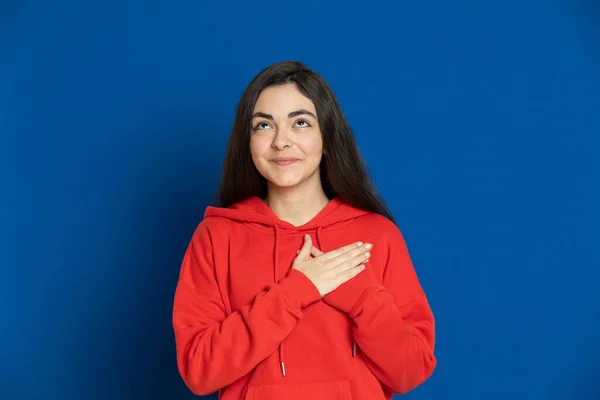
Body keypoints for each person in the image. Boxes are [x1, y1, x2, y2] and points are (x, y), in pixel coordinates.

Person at [172, 61, 436, 400]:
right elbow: (199, 371)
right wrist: (295, 292)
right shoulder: (215, 237)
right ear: (247, 141)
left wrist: (363, 300)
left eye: (300, 123)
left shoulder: (377, 236)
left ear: (327, 138)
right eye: (264, 125)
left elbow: (410, 372)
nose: (281, 142)